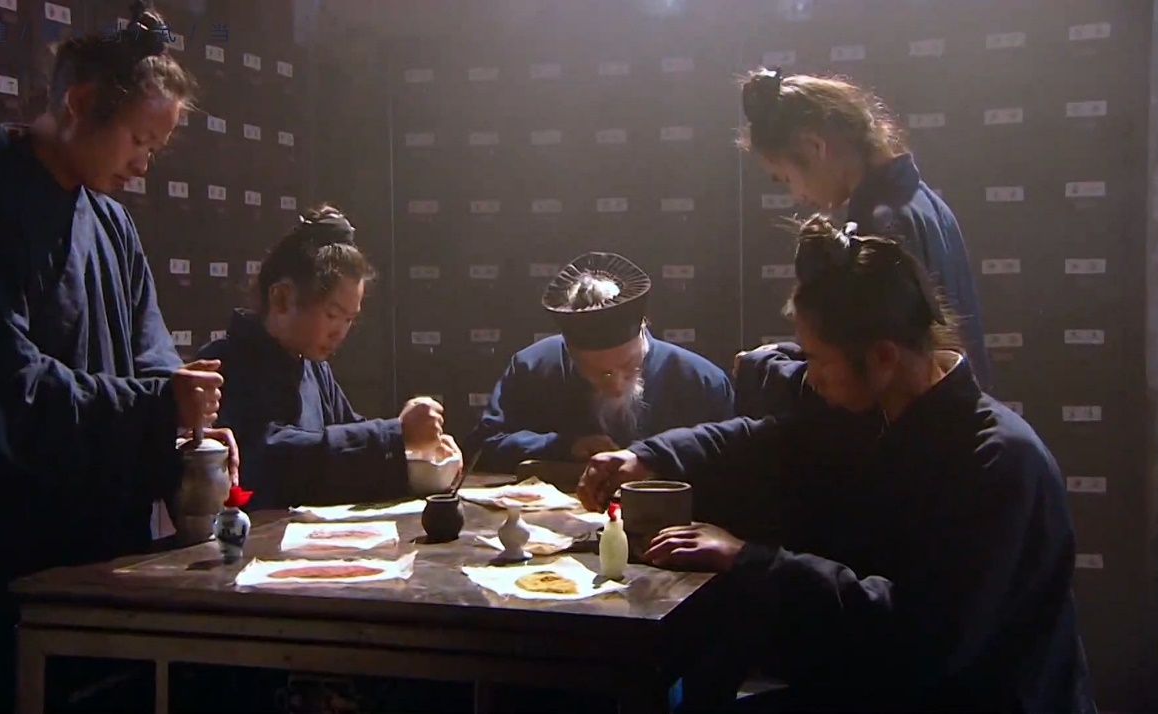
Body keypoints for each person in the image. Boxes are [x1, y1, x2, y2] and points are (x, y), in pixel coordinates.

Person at [578, 216, 1095, 714]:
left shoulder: (996, 463)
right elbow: (760, 443)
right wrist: (648, 457)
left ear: (883, 357)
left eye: (819, 359)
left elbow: (914, 634)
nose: (809, 376)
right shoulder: (875, 414)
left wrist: (749, 559)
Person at [0, 4, 238, 712]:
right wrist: (157, 408)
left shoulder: (112, 223)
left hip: (104, 562)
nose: (143, 165)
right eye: (138, 140)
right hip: (0, 570)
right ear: (80, 104)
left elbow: (152, 359)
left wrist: (188, 432)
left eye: (156, 148)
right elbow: (8, 397)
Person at [737, 67, 993, 392]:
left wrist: (765, 368)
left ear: (815, 147)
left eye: (786, 178)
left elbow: (870, 374)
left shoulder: (879, 228)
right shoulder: (923, 201)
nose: (797, 196)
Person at [197, 204, 455, 511]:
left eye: (349, 320)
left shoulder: (313, 367)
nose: (340, 333)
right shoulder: (222, 366)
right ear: (281, 298)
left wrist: (420, 455)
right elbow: (267, 459)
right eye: (332, 315)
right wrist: (394, 436)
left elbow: (349, 440)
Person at [466, 251, 734, 474]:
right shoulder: (533, 367)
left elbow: (733, 464)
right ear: (569, 350)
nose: (616, 385)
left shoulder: (700, 380)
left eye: (629, 365)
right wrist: (563, 446)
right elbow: (483, 448)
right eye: (598, 373)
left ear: (643, 328)